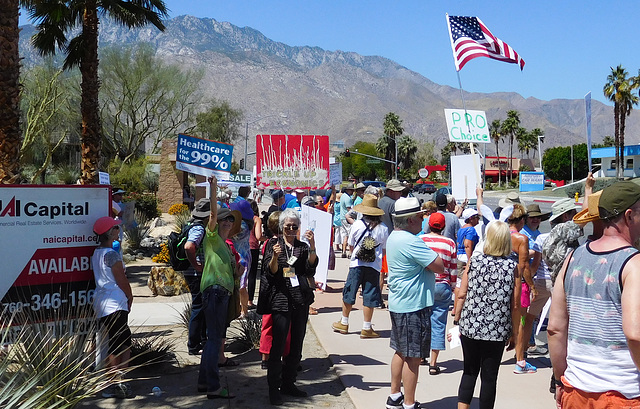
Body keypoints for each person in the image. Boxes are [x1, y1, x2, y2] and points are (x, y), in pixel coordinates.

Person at [548, 180, 640, 407]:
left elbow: (555, 328)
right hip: (622, 393)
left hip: (576, 389)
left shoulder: (573, 258)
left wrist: (561, 380)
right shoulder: (633, 264)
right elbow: (635, 333)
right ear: (629, 216)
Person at [385, 197, 444, 409]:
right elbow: (438, 265)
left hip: (401, 303)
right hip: (413, 306)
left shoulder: (395, 237)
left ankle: (394, 395)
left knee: (401, 350)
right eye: (420, 216)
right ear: (410, 220)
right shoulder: (411, 241)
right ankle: (409, 403)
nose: (423, 220)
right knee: (413, 356)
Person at [257, 208, 318, 406]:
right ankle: (273, 388)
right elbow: (270, 272)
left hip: (299, 300)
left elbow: (309, 269)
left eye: (295, 226)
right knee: (278, 344)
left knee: (297, 343)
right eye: (288, 226)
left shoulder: (301, 247)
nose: (291, 229)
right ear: (281, 227)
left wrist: (313, 247)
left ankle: (289, 383)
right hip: (280, 300)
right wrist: (275, 257)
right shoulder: (272, 245)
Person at [455, 221, 518, 409]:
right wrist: (515, 332)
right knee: (489, 377)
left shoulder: (474, 261)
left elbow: (462, 292)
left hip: (470, 325)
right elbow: (515, 305)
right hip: (497, 329)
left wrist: (458, 318)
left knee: (469, 371)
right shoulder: (512, 266)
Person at [197, 175, 242, 400]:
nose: (227, 222)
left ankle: (204, 382)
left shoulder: (224, 245)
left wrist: (237, 272)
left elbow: (232, 272)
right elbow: (213, 213)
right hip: (215, 292)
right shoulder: (212, 237)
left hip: (220, 293)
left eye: (230, 220)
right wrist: (213, 189)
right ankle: (214, 387)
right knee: (215, 339)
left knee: (212, 339)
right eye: (224, 219)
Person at [331, 194, 389, 338]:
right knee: (369, 294)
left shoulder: (357, 224)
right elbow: (384, 249)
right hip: (374, 265)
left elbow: (351, 245)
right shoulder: (383, 228)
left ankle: (344, 322)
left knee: (350, 291)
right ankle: (366, 327)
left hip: (356, 263)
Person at [91, 216, 134, 399]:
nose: (118, 230)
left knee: (118, 341)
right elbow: (121, 280)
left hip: (102, 302)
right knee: (120, 344)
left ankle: (116, 381)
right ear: (111, 232)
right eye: (116, 228)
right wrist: (130, 296)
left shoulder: (96, 253)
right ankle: (117, 382)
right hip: (115, 302)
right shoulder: (112, 255)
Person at [419, 212, 457, 373]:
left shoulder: (421, 240)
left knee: (421, 321)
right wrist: (453, 285)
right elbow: (453, 267)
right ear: (443, 226)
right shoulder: (450, 243)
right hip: (442, 285)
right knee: (438, 323)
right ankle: (433, 363)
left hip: (423, 285)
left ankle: (421, 355)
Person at [507, 203, 536, 374]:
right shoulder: (521, 239)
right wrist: (532, 286)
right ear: (522, 219)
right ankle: (520, 361)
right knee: (521, 324)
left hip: (502, 282)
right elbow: (524, 266)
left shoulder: (500, 235)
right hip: (519, 284)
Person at [182, 198, 211, 356]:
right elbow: (189, 246)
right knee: (199, 308)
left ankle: (201, 340)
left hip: (192, 273)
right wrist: (196, 265)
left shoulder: (189, 224)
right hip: (196, 274)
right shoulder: (199, 228)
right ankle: (193, 345)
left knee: (200, 307)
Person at [230, 199, 254, 318]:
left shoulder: (242, 226)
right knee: (239, 285)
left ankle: (244, 310)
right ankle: (241, 309)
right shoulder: (241, 224)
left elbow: (230, 234)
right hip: (239, 256)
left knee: (242, 286)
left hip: (242, 258)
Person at [247, 199, 263, 309]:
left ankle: (240, 299)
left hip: (241, 247)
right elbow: (258, 236)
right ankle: (249, 301)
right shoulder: (256, 219)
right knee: (252, 275)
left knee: (241, 274)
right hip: (253, 247)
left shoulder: (241, 217)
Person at [339, 184, 356, 257]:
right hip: (347, 219)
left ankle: (343, 251)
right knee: (350, 235)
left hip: (342, 218)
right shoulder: (348, 198)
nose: (352, 192)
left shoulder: (342, 196)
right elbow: (349, 209)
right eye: (351, 190)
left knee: (345, 236)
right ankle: (350, 252)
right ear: (348, 190)